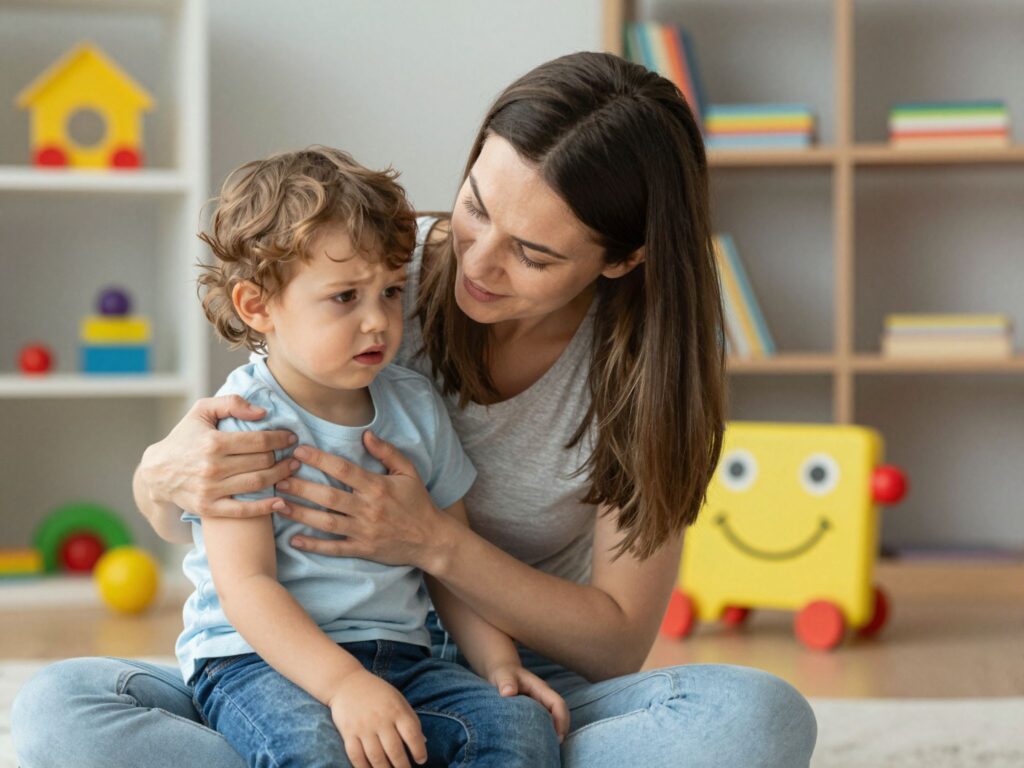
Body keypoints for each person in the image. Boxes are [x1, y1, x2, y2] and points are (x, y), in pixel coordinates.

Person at [12, 52, 817, 767]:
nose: (478, 260)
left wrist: (434, 545)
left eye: (533, 253)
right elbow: (223, 536)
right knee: (58, 716)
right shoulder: (368, 279)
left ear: (623, 259)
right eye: (474, 205)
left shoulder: (643, 370)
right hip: (291, 665)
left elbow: (617, 645)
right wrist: (162, 475)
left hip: (508, 683)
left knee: (754, 719)